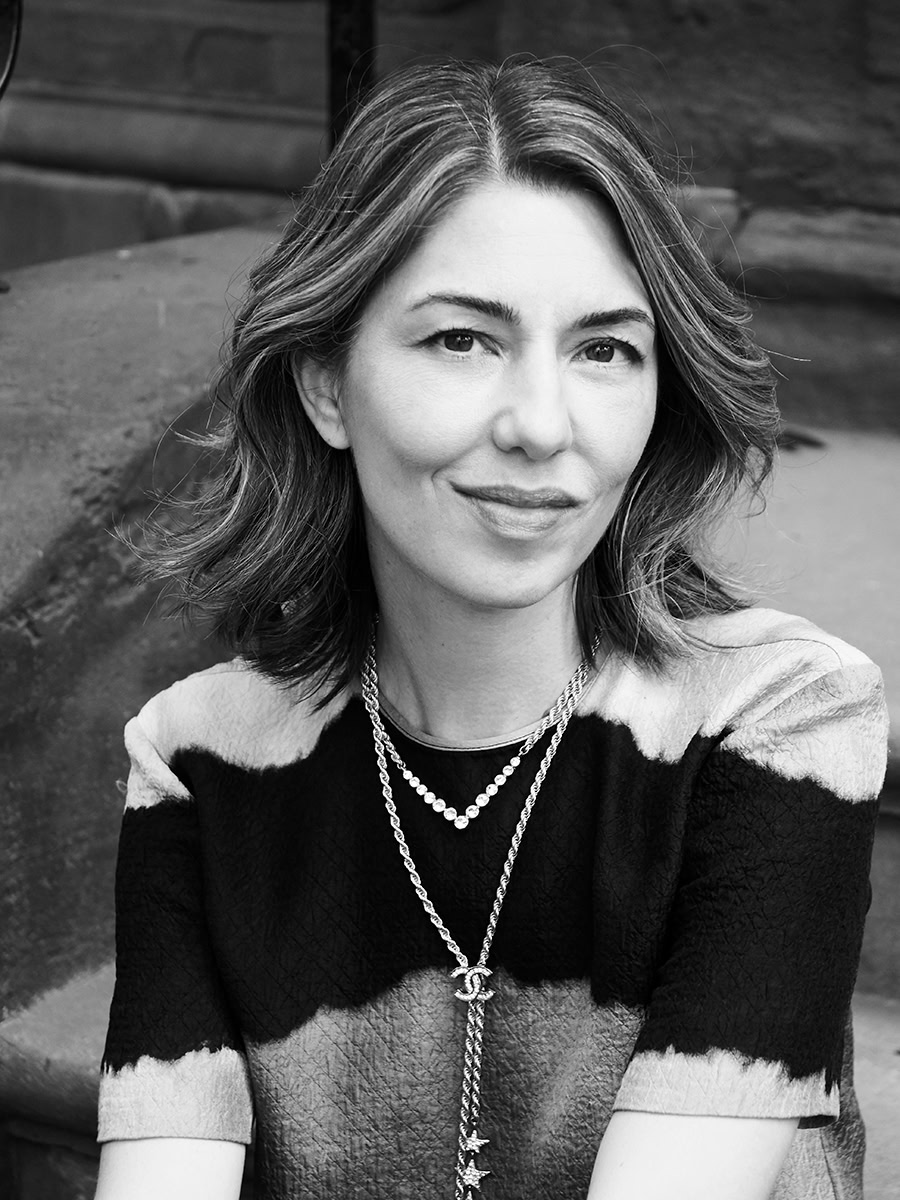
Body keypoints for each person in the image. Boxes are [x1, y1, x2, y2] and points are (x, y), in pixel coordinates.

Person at [93, 56, 887, 1200]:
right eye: (462, 340)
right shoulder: (199, 760)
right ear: (325, 382)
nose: (542, 426)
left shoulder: (782, 720)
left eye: (606, 349)